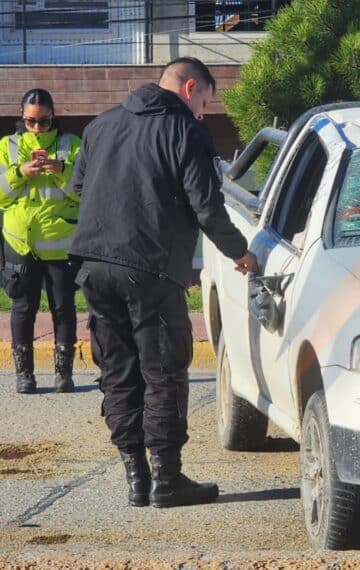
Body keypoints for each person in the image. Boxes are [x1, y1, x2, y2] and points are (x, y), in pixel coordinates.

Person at [69, 57, 258, 508]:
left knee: (118, 373)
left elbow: (79, 188)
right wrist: (239, 252)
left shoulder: (101, 125)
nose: (202, 114)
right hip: (150, 268)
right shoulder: (185, 131)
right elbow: (207, 207)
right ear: (190, 87)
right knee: (164, 374)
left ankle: (136, 478)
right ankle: (167, 481)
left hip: (94, 266)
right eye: (204, 104)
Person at [0, 89, 81, 395]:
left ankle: (64, 374)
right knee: (23, 308)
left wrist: (62, 172)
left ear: (53, 116)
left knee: (63, 308)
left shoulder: (70, 145)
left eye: (43, 122)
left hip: (60, 243)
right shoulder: (7, 147)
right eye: (30, 122)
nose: (36, 128)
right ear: (21, 117)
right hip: (20, 242)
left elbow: (84, 191)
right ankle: (25, 375)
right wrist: (20, 173)